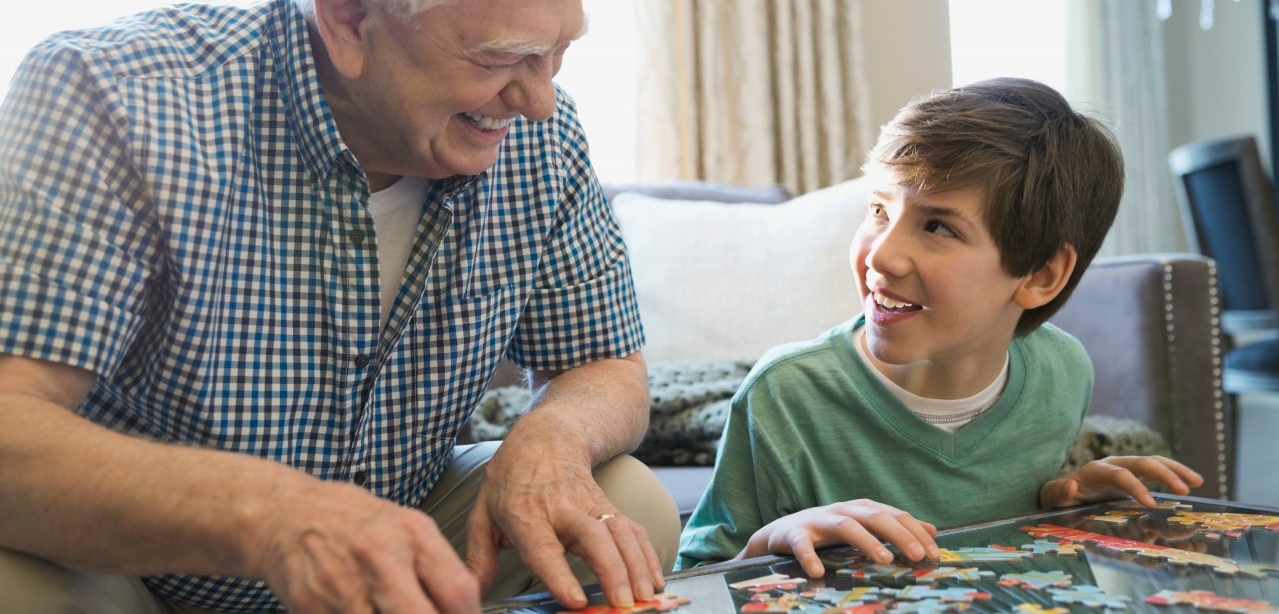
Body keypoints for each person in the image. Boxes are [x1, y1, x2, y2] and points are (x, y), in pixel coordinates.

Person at [0, 0, 681, 612]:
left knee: (626, 502)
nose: (537, 101)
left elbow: (606, 364)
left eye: (556, 54)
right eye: (500, 58)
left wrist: (552, 440)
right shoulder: (114, 92)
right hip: (137, 573)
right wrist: (272, 515)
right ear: (350, 21)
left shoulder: (543, 138)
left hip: (399, 552)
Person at [676, 77, 1204, 576]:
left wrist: (1056, 502)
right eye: (879, 209)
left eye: (937, 226)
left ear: (1041, 276)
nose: (882, 256)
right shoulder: (785, 395)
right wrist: (771, 541)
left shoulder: (1063, 372)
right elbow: (695, 583)